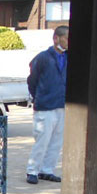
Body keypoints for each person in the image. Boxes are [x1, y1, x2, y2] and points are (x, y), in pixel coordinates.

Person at [26, 25, 69, 184]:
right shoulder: (43, 57)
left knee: (57, 141)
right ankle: (32, 170)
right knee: (42, 140)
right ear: (56, 38)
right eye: (66, 38)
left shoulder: (67, 57)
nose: (68, 42)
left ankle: (47, 169)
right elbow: (32, 80)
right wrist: (38, 97)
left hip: (61, 105)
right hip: (45, 106)